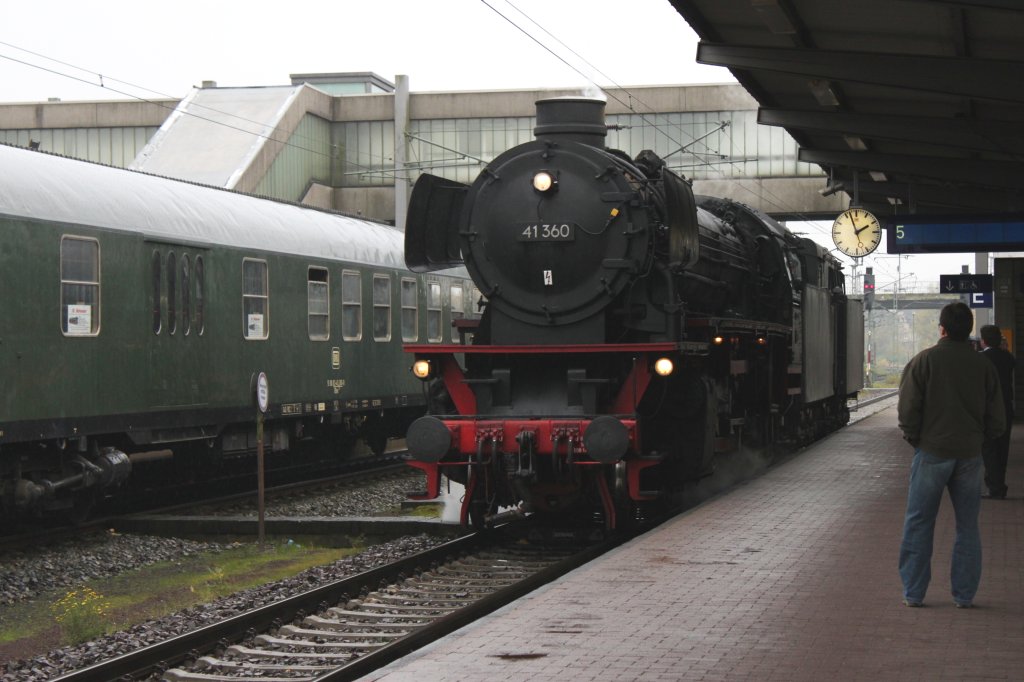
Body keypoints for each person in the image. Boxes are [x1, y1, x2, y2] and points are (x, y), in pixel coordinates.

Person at [897, 302, 1005, 609]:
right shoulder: (983, 366)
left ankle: (914, 593)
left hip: (931, 452)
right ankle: (964, 595)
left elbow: (907, 410)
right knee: (968, 526)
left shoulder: (924, 360)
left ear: (941, 328)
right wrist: (979, 440)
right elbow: (997, 418)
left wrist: (916, 439)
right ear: (969, 330)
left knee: (919, 523)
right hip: (970, 455)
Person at [979, 324, 1015, 499]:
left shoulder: (980, 358)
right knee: (1002, 448)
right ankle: (999, 484)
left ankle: (995, 487)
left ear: (983, 341)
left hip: (988, 409)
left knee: (989, 448)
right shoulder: (1008, 357)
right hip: (1006, 407)